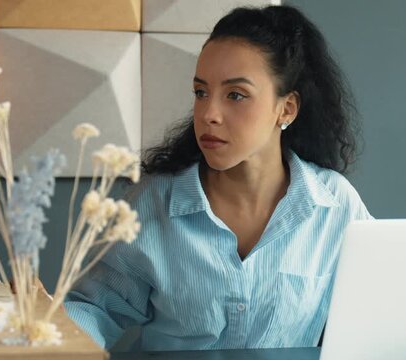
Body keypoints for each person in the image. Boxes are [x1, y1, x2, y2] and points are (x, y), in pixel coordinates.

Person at [64, 4, 372, 351]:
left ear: (286, 108)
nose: (209, 114)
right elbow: (93, 309)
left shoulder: (335, 205)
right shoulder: (153, 202)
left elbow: (378, 314)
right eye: (201, 92)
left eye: (236, 95)